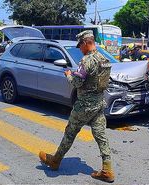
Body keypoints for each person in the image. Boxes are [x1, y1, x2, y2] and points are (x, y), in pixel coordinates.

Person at [39, 30, 115, 183]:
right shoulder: (104, 58)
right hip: (99, 103)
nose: (80, 48)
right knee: (101, 136)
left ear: (87, 42)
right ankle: (107, 170)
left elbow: (77, 82)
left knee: (70, 132)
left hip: (85, 105)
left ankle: (55, 161)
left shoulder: (87, 61)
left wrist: (68, 74)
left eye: (80, 45)